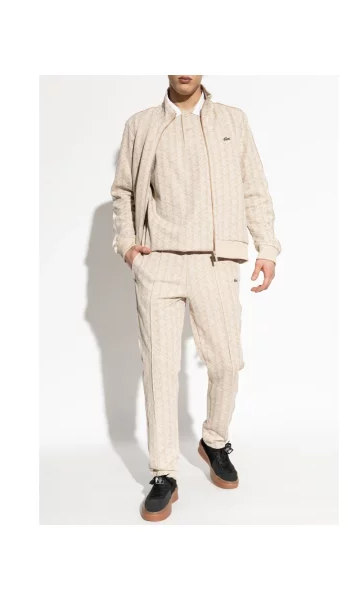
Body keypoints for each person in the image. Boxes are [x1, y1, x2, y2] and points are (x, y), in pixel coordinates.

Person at [111, 75, 281, 522]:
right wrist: (128, 245)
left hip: (215, 260)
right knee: (160, 371)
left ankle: (214, 440)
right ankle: (163, 473)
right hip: (158, 263)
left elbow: (253, 186)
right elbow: (124, 191)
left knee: (226, 362)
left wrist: (267, 247)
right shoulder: (141, 125)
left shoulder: (232, 121)